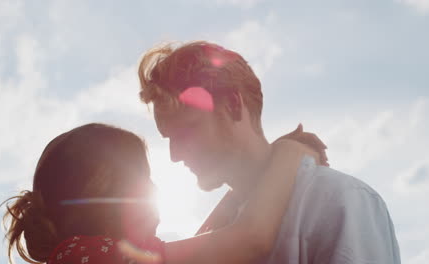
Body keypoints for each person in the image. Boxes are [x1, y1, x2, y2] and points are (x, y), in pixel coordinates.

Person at [138, 41, 401, 263]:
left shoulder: (338, 200)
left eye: (186, 131)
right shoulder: (220, 230)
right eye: (169, 139)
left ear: (232, 105)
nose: (174, 155)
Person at [0, 123, 327, 264]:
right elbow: (250, 237)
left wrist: (250, 187)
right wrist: (288, 153)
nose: (154, 189)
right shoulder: (90, 256)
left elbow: (209, 239)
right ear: (101, 190)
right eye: (144, 178)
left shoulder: (86, 255)